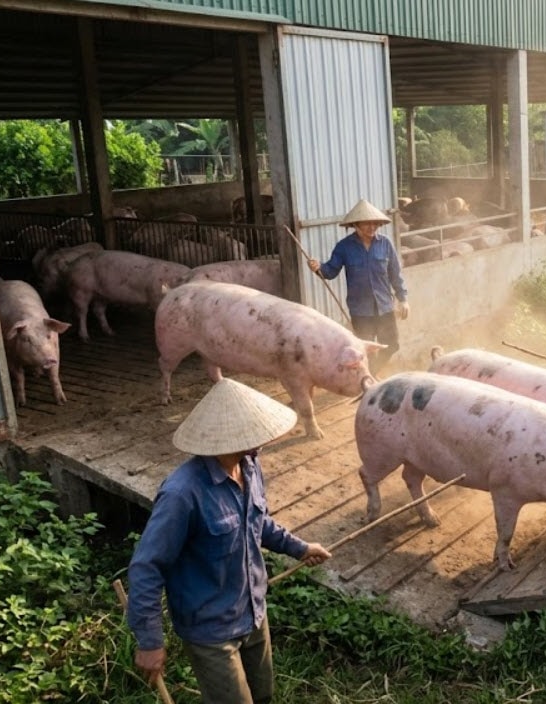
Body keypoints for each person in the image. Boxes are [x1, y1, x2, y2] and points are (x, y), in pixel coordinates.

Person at [126, 378, 332, 704]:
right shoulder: (182, 493)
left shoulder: (249, 467)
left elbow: (257, 521)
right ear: (234, 439)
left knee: (264, 696)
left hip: (252, 613)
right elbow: (146, 567)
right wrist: (149, 641)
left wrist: (299, 548)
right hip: (211, 630)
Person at [307, 198, 409, 371]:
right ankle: (367, 380)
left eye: (375, 224)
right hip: (361, 310)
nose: (372, 227)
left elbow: (395, 274)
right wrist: (318, 268)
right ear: (356, 225)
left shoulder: (385, 244)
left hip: (384, 306)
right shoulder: (344, 247)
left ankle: (372, 373)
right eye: (367, 224)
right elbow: (330, 271)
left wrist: (403, 299)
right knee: (364, 350)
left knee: (392, 345)